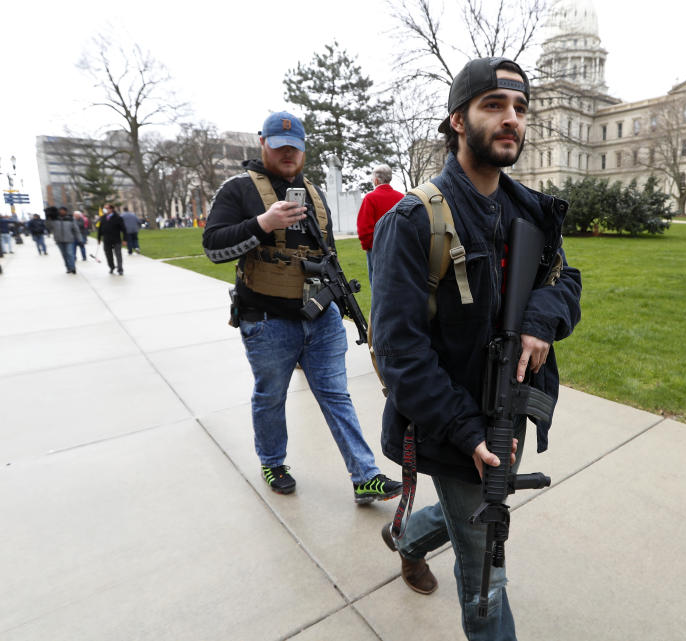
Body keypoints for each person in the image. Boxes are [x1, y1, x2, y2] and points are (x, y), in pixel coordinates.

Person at [371, 57, 582, 640]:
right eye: (493, 105)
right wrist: (469, 434)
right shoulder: (412, 222)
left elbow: (566, 282)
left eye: (519, 108)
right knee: (487, 568)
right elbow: (400, 354)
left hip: (510, 408)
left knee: (469, 514)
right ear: (458, 120)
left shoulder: (532, 211)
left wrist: (541, 319)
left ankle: (406, 537)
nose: (511, 119)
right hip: (452, 425)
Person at [202, 111, 402, 502]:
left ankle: (365, 475)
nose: (289, 154)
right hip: (267, 321)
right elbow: (213, 248)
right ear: (263, 143)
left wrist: (341, 298)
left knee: (335, 393)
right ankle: (273, 461)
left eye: (296, 148)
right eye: (280, 147)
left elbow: (322, 252)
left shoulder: (313, 193)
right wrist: (262, 223)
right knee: (271, 394)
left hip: (320, 316)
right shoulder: (238, 189)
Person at [356, 164, 404, 283]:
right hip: (399, 247)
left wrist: (367, 246)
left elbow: (364, 227)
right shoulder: (402, 197)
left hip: (376, 248)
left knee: (377, 283)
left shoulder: (370, 198)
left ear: (376, 180)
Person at [50, 206, 84, 274]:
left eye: (63, 210)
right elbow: (48, 226)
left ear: (66, 211)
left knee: (70, 254)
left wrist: (80, 240)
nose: (61, 212)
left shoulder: (71, 219)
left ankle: (73, 267)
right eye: (60, 210)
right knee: (64, 255)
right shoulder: (55, 219)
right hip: (59, 240)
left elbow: (76, 230)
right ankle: (68, 268)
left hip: (69, 239)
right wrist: (48, 218)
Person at [97, 203, 126, 275]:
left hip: (116, 239)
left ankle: (120, 269)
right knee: (108, 255)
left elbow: (124, 229)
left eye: (107, 208)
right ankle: (112, 267)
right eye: (105, 208)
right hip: (107, 240)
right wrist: (99, 238)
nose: (105, 210)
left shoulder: (118, 218)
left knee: (118, 255)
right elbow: (100, 229)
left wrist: (125, 239)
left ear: (111, 209)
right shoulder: (103, 218)